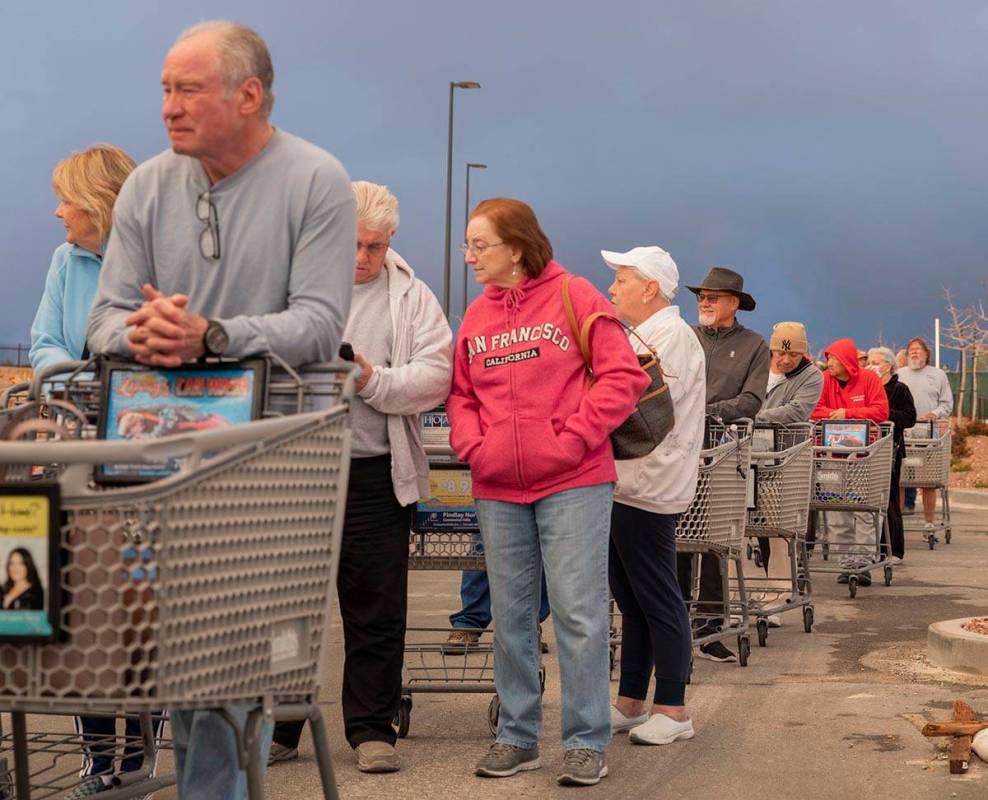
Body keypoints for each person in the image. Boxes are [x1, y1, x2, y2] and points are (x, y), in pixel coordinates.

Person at [86, 21, 355, 800]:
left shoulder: (316, 179)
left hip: (268, 463)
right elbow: (102, 320)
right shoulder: (146, 185)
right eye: (165, 89)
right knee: (183, 663)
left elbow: (319, 323)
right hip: (159, 458)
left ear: (249, 94)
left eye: (187, 88)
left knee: (226, 658)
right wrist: (145, 333)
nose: (169, 106)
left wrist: (214, 335)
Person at [447, 198, 648, 786]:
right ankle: (517, 735)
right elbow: (460, 394)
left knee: (578, 614)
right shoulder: (476, 316)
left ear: (516, 246)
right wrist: (473, 444)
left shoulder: (574, 294)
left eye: (479, 245)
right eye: (467, 245)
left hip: (572, 482)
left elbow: (623, 377)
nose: (470, 256)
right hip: (497, 485)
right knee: (509, 616)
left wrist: (570, 438)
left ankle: (585, 740)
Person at [270, 181, 452, 773]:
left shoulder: (413, 296)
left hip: (376, 473)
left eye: (374, 246)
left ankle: (372, 730)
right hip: (297, 471)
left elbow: (437, 377)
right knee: (287, 606)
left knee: (375, 607)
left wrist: (373, 381)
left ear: (390, 241)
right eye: (351, 244)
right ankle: (279, 725)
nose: (361, 257)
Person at [602, 246, 703, 747]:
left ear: (650, 288)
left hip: (648, 485)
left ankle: (674, 707)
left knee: (658, 596)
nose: (611, 289)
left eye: (621, 280)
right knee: (633, 598)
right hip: (627, 482)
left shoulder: (670, 336)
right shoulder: (646, 332)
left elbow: (636, 405)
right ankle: (630, 702)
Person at [682, 267, 769, 663]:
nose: (704, 301)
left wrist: (703, 411)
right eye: (701, 296)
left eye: (712, 297)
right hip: (679, 449)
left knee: (715, 543)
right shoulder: (685, 337)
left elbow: (751, 401)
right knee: (678, 540)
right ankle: (676, 621)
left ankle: (710, 628)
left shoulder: (754, 345)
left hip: (724, 452)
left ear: (734, 304)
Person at [29, 145, 136, 372]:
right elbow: (46, 344)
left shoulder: (158, 258)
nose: (58, 212)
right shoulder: (64, 259)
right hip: (76, 401)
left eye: (66, 201)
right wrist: (85, 392)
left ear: (97, 203)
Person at [754, 321, 824, 620]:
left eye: (792, 355)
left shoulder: (811, 376)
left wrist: (750, 416)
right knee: (736, 530)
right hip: (748, 456)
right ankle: (736, 593)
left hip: (783, 460)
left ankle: (778, 592)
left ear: (802, 354)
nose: (784, 360)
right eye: (779, 354)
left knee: (776, 529)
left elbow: (796, 410)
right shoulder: (757, 366)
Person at [811, 338, 890, 584]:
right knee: (836, 509)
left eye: (833, 358)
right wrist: (836, 417)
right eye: (828, 358)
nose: (829, 363)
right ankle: (846, 561)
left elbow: (881, 411)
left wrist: (849, 414)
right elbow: (815, 410)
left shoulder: (869, 380)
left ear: (846, 360)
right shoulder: (825, 381)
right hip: (832, 456)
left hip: (865, 458)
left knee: (865, 509)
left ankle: (863, 561)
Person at [896, 337, 953, 526]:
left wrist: (935, 414)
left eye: (918, 349)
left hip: (929, 436)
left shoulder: (938, 375)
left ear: (926, 354)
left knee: (928, 482)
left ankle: (929, 523)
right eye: (911, 349)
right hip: (904, 435)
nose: (914, 352)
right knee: (901, 481)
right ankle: (898, 524)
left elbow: (947, 403)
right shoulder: (899, 374)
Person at [867, 347, 916, 562]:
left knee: (890, 499)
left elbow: (910, 417)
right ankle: (869, 547)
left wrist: (886, 415)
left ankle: (894, 549)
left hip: (891, 449)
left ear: (888, 365)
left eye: (876, 362)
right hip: (868, 449)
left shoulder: (899, 389)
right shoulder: (867, 386)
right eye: (869, 361)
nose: (872, 365)